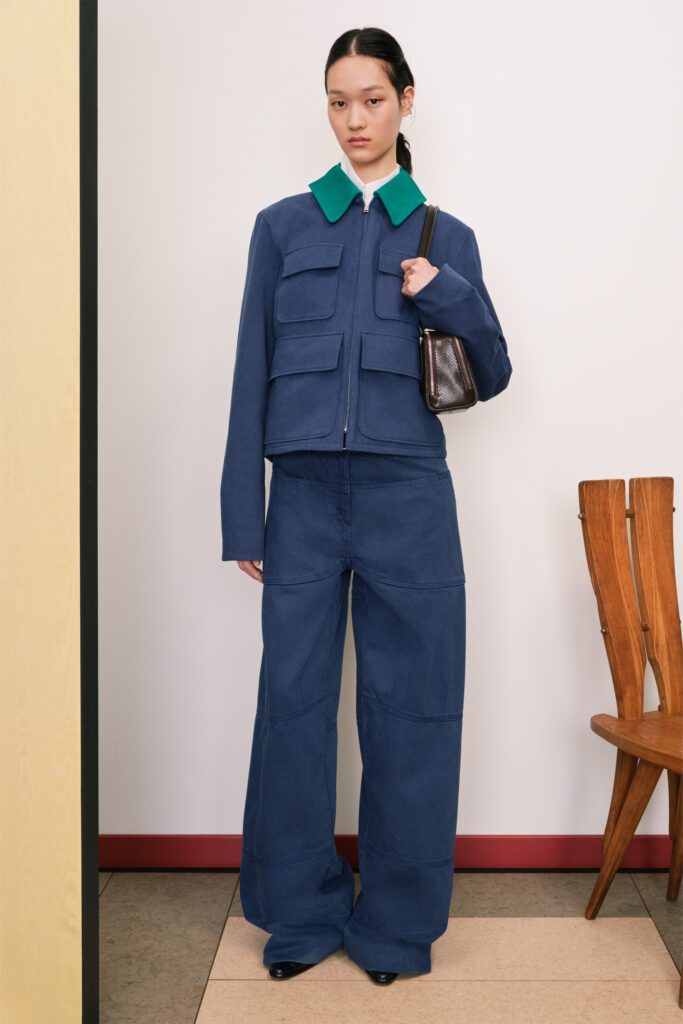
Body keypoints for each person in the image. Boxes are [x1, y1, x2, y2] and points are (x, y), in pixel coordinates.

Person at [219, 26, 512, 986]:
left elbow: (492, 374)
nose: (355, 119)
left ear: (405, 102)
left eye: (372, 100)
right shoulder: (281, 227)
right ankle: (299, 914)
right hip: (302, 498)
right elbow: (250, 372)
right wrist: (243, 513)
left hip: (408, 497)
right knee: (293, 706)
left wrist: (449, 296)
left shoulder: (444, 237)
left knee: (412, 712)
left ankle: (394, 926)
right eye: (339, 101)